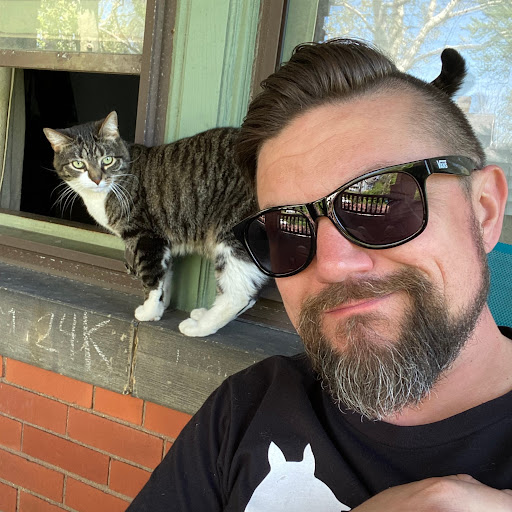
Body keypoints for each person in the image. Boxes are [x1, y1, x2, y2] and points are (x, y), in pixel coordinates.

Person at [127, 39, 512, 511]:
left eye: (380, 202)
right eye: (287, 228)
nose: (331, 265)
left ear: (484, 211)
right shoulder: (243, 411)